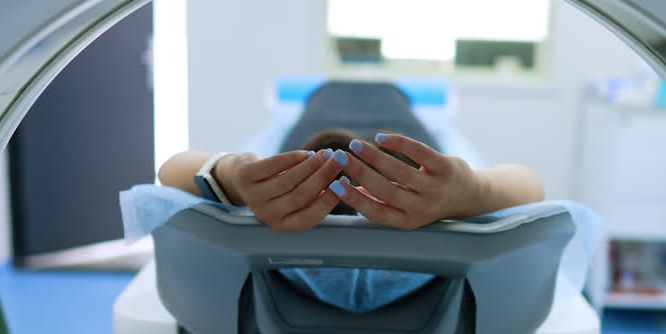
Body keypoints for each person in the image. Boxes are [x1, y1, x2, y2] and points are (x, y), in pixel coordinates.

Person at [156, 130, 544, 231]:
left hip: (335, 128)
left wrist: (230, 176)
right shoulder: (295, 165)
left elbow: (170, 171)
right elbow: (532, 185)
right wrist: (476, 191)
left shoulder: (291, 158)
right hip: (381, 132)